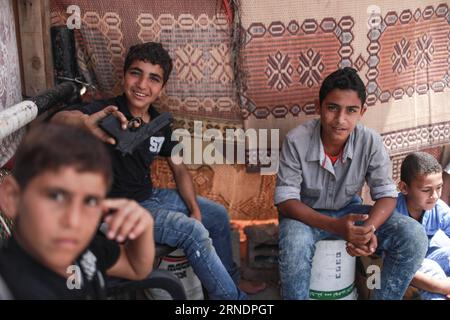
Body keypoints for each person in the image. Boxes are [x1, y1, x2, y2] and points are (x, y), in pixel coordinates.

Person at [51, 42, 259, 299]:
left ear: (161, 89)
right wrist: (84, 123)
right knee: (191, 231)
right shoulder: (107, 112)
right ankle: (234, 302)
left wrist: (194, 209)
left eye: (153, 78)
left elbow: (179, 169)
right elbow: (57, 120)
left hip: (150, 198)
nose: (142, 84)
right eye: (135, 73)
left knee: (215, 214)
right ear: (124, 75)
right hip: (113, 210)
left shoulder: (160, 124)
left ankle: (231, 282)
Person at [274, 67, 428, 300]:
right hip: (305, 218)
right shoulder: (297, 140)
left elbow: (386, 195)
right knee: (295, 244)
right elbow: (286, 202)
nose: (340, 119)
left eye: (351, 110)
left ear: (362, 112)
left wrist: (368, 229)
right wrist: (337, 227)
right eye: (332, 108)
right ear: (319, 107)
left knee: (414, 236)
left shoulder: (370, 141)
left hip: (350, 212)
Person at [0, 123, 155, 299]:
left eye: (90, 201)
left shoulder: (84, 251)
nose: (73, 221)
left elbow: (136, 267)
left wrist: (143, 227)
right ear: (12, 197)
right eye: (56, 196)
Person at [396, 152, 450, 300]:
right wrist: (443, 286)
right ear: (404, 188)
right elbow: (401, 268)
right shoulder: (393, 214)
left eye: (439, 188)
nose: (435, 196)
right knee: (434, 273)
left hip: (428, 255)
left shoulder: (437, 207)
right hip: (398, 266)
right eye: (426, 190)